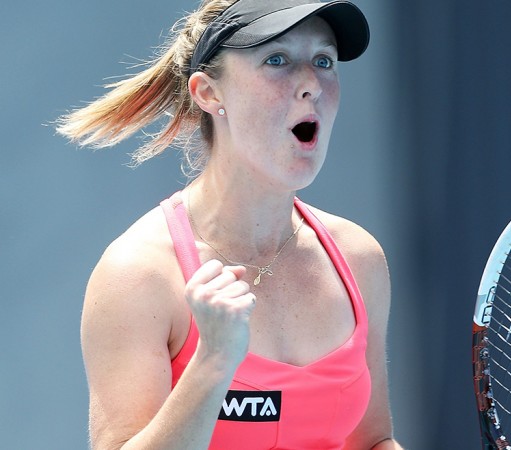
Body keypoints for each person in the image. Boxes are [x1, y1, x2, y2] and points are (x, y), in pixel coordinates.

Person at [57, 0, 404, 449]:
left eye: (324, 61)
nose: (311, 85)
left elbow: (373, 441)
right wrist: (213, 361)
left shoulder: (359, 258)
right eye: (276, 60)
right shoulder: (138, 275)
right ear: (208, 92)